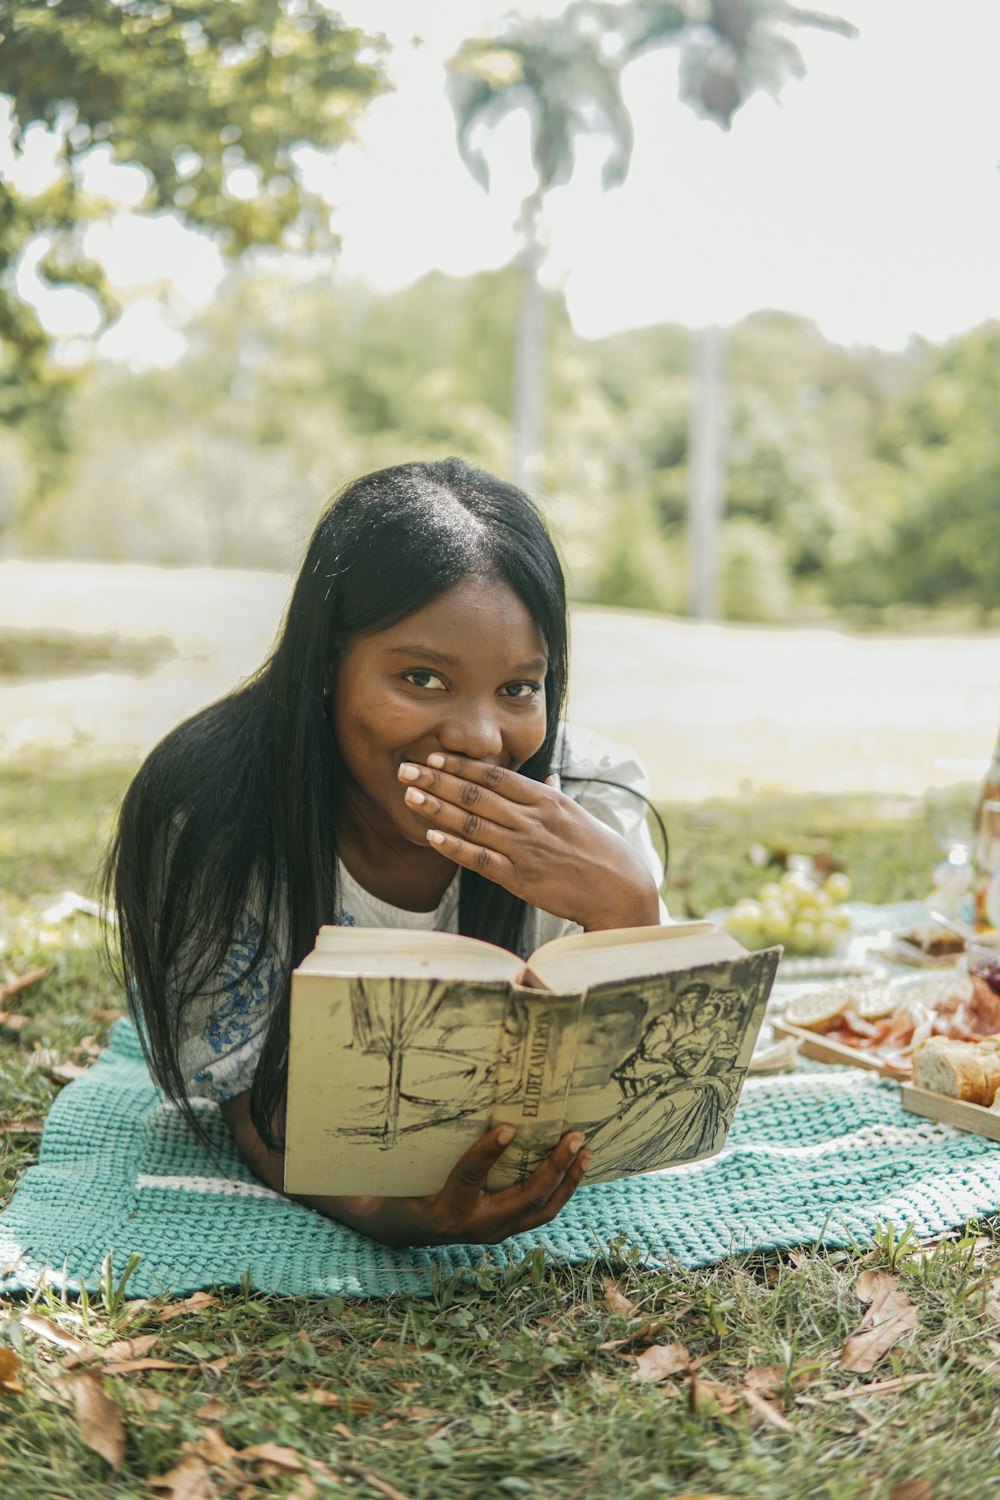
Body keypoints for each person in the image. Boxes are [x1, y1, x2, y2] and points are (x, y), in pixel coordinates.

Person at [106, 458, 665, 1249]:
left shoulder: (595, 803)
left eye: (518, 689)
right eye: (423, 678)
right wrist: (388, 1213)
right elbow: (253, 1102)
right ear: (327, 667)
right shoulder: (213, 818)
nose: (477, 738)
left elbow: (656, 1097)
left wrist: (628, 912)